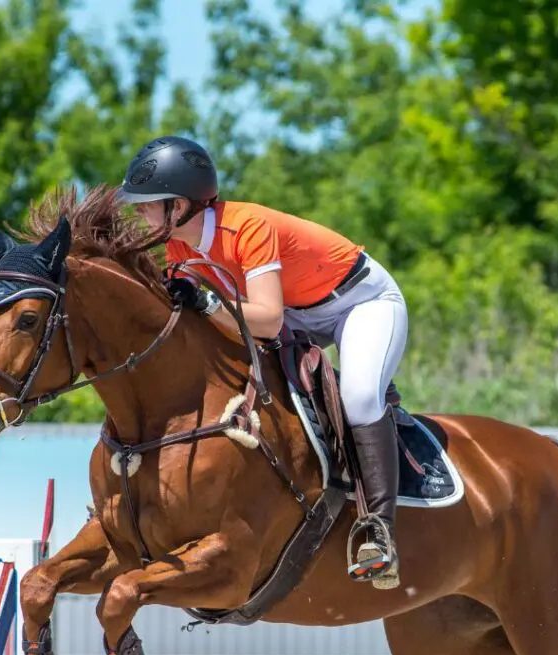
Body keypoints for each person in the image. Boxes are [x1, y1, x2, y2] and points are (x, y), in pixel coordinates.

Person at [116, 135, 408, 590]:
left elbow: (267, 321)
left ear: (179, 207)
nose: (139, 215)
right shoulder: (179, 248)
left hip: (359, 301)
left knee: (359, 396)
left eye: (147, 205)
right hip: (297, 313)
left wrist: (207, 302)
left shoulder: (246, 228)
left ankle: (378, 529)